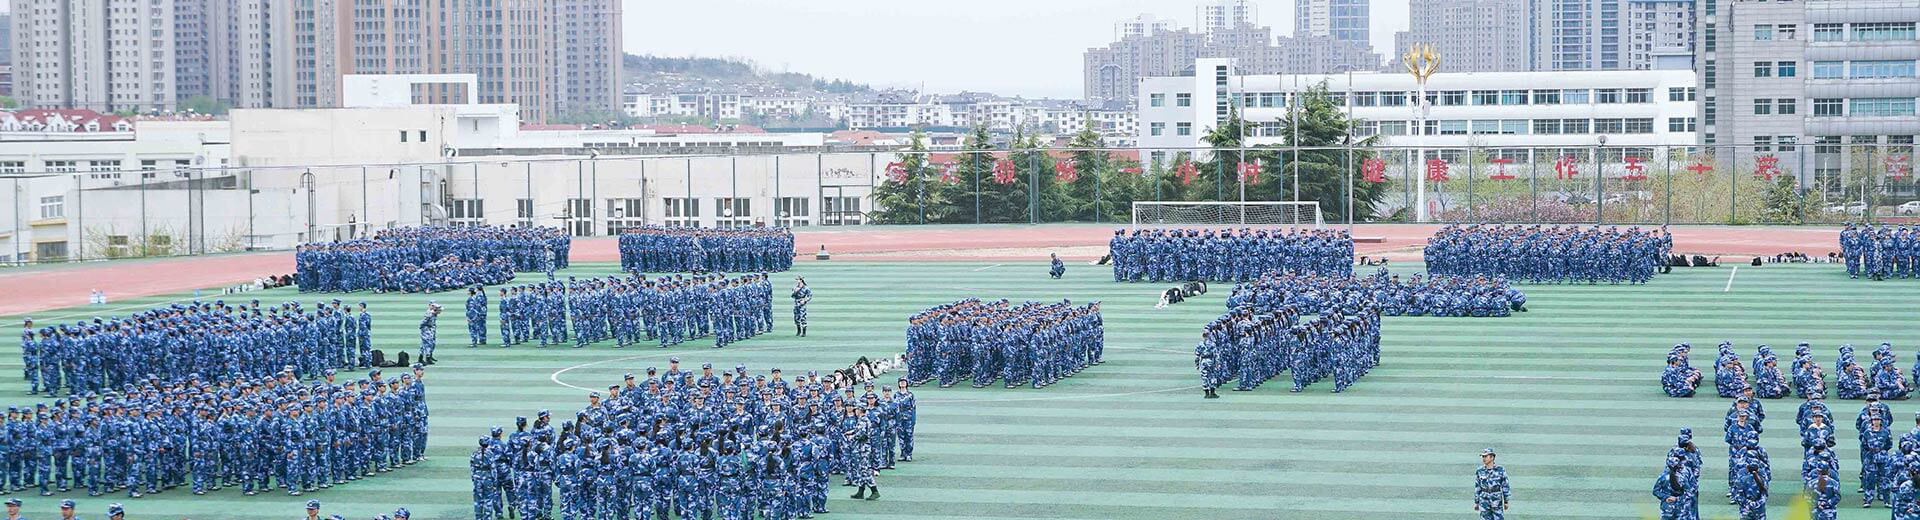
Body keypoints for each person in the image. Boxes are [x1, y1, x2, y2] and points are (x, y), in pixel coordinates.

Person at [1474, 448, 1510, 520]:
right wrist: (1476, 502)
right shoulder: (1480, 470)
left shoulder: (1500, 470)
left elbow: (1505, 485)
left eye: (1485, 456)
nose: (1484, 458)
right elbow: (1477, 487)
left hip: (1496, 499)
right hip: (1484, 499)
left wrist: (1506, 501)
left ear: (1492, 457)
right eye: (1483, 457)